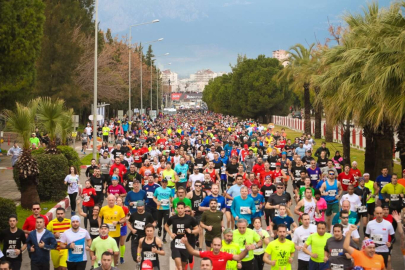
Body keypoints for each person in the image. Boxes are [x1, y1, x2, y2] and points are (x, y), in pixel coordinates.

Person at [181, 236, 251, 270]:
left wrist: (246, 250)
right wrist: (186, 243)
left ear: (221, 246)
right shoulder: (206, 254)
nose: (216, 247)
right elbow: (192, 251)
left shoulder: (225, 255)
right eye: (215, 245)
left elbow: (239, 257)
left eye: (218, 245)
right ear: (211, 245)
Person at [164, 202, 199, 270]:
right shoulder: (173, 218)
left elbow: (197, 229)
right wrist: (170, 233)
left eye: (182, 208)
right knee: (179, 266)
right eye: (179, 208)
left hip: (185, 244)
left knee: (183, 266)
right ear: (176, 209)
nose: (180, 210)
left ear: (184, 209)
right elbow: (166, 225)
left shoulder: (190, 218)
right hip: (176, 243)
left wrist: (191, 231)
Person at [153, 178, 174, 243]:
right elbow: (154, 197)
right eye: (163, 182)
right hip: (159, 208)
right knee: (159, 222)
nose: (164, 183)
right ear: (161, 183)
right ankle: (159, 228)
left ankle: (164, 238)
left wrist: (171, 202)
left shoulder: (170, 190)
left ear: (167, 183)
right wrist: (157, 202)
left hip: (166, 209)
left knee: (165, 223)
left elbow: (172, 197)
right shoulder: (157, 189)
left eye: (165, 182)